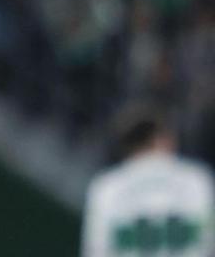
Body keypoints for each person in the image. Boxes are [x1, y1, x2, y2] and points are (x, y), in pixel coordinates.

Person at [82, 105, 214, 257]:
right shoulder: (197, 179)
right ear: (161, 138)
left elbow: (96, 250)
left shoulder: (107, 187)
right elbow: (208, 240)